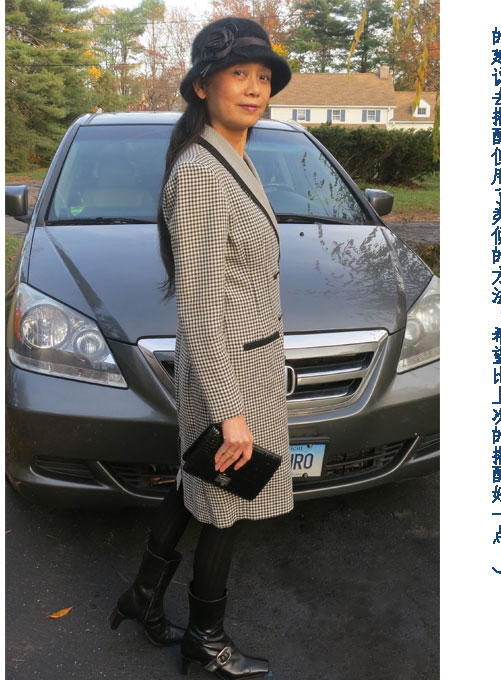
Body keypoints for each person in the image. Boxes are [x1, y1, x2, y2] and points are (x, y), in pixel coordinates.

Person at [109, 16, 294, 679]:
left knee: (202, 481)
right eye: (238, 73)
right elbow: (201, 305)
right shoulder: (200, 173)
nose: (254, 87)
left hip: (250, 361)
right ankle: (206, 639)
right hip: (230, 371)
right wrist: (230, 411)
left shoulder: (232, 155)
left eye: (263, 76)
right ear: (201, 86)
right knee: (228, 502)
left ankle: (142, 595)